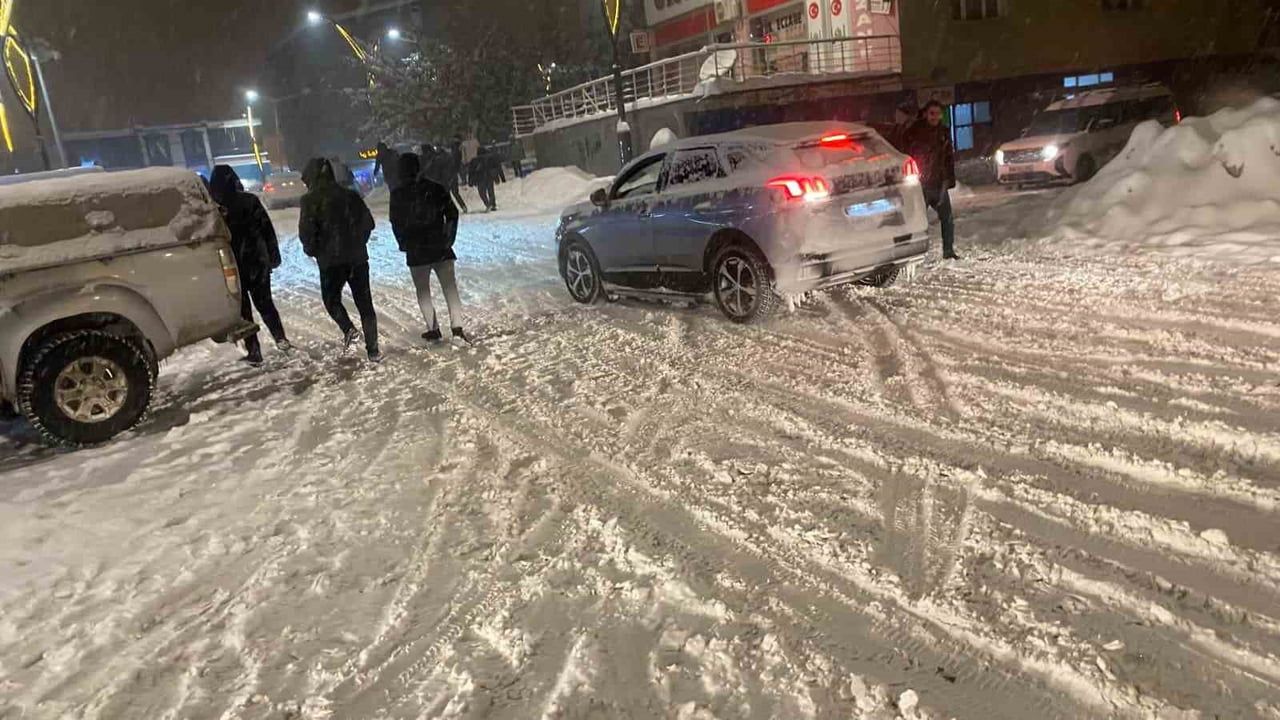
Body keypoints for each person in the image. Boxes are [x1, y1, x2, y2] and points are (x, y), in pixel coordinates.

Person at [298, 157, 383, 362]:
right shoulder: (350, 196)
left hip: (331, 262)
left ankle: (349, 329)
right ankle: (373, 350)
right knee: (365, 304)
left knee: (331, 299)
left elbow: (307, 232)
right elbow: (368, 223)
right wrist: (357, 242)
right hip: (357, 258)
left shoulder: (310, 201)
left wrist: (314, 250)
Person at [208, 165, 289, 366]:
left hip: (233, 267)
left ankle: (254, 351)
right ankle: (281, 339)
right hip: (257, 261)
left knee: (243, 311)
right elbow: (266, 229)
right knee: (265, 303)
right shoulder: (249, 201)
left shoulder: (215, 210)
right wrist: (273, 255)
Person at [389, 153, 469, 345]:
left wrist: (403, 243)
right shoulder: (435, 188)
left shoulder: (398, 194)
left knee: (423, 291)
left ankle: (433, 329)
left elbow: (396, 223)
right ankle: (457, 329)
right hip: (440, 246)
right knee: (450, 289)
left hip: (416, 251)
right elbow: (452, 213)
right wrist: (449, 238)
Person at [903, 100, 960, 260]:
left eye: (937, 113)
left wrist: (948, 180)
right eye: (931, 113)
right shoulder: (915, 131)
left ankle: (948, 251)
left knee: (947, 218)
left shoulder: (943, 132)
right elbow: (906, 150)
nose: (935, 117)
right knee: (917, 219)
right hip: (921, 184)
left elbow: (948, 158)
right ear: (926, 114)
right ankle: (911, 253)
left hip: (939, 182)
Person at [471, 147, 498, 212]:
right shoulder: (489, 159)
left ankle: (488, 204)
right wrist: (496, 177)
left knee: (482, 193)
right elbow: (495, 168)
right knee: (490, 192)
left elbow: (472, 171)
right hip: (488, 177)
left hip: (480, 178)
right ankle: (492, 205)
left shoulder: (475, 160)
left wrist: (472, 180)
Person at [447, 137, 469, 213]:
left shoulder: (454, 154)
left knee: (450, 193)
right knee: (455, 193)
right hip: (453, 175)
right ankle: (463, 206)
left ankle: (454, 208)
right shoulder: (457, 153)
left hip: (450, 176)